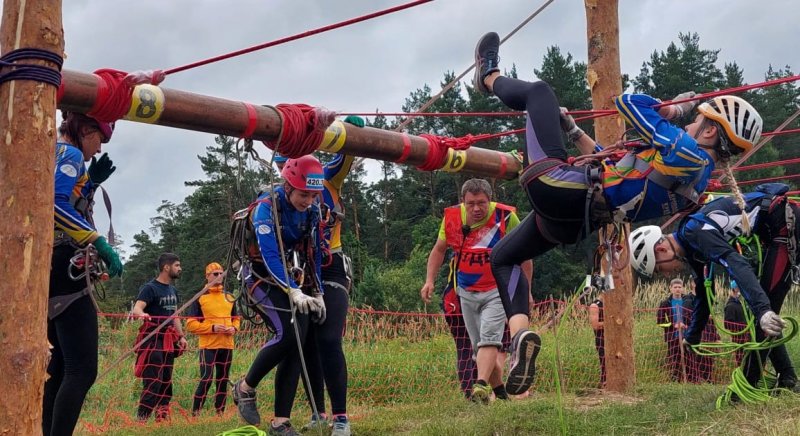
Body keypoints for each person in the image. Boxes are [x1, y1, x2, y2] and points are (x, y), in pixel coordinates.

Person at [473, 31, 763, 394]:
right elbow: (618, 168)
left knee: (539, 93)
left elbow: (627, 102)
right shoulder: (696, 185)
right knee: (503, 257)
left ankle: (487, 76)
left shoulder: (687, 152)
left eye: (695, 121)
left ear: (707, 131)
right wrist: (575, 131)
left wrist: (674, 109)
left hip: (560, 188)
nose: (687, 125)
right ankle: (520, 337)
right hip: (578, 219)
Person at [629, 182, 800, 392]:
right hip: (773, 230)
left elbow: (735, 262)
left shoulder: (696, 233)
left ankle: (748, 387)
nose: (665, 274)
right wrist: (692, 336)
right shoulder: (690, 243)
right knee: (761, 314)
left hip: (783, 224)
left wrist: (763, 310)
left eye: (658, 269)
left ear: (661, 249)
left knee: (763, 315)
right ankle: (787, 379)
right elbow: (702, 293)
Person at [231, 155, 326, 435]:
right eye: (303, 194)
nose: (308, 201)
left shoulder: (312, 211)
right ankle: (245, 387)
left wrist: (317, 290)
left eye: (312, 195)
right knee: (287, 332)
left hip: (290, 276)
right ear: (288, 186)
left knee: (298, 338)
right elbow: (270, 255)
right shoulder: (266, 208)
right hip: (259, 277)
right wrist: (293, 290)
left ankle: (280, 422)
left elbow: (316, 252)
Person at [44, 112, 123, 436]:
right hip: (66, 262)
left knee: (61, 366)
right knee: (82, 369)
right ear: (87, 129)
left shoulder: (57, 151)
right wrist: (98, 241)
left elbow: (66, 201)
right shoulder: (70, 153)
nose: (99, 149)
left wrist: (90, 183)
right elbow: (54, 204)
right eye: (100, 139)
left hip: (51, 263)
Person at [421, 179, 532, 402]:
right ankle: (501, 392)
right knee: (478, 347)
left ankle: (480, 386)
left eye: (481, 203)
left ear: (490, 200)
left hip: (498, 289)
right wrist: (429, 280)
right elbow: (439, 250)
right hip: (465, 290)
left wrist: (525, 290)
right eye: (470, 203)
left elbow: (525, 255)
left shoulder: (506, 217)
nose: (476, 208)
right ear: (463, 202)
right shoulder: (452, 218)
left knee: (489, 339)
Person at [300, 115, 363, 436]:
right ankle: (317, 412)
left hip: (332, 266)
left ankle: (341, 417)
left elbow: (349, 152)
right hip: (302, 271)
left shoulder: (328, 179)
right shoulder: (285, 190)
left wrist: (352, 127)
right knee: (307, 343)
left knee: (328, 339)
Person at [131, 253, 188, 421]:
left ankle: (161, 419)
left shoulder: (173, 290)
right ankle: (141, 421)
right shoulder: (150, 288)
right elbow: (137, 309)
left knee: (166, 382)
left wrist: (181, 337)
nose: (180, 268)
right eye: (177, 265)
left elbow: (175, 316)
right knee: (153, 383)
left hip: (169, 342)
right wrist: (142, 315)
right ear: (166, 267)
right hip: (152, 340)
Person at [186, 262, 239, 416]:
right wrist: (212, 328)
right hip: (207, 346)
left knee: (222, 380)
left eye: (221, 273)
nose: (219, 276)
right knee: (206, 379)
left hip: (227, 345)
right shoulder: (200, 298)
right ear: (207, 276)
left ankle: (219, 413)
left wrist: (234, 328)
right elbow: (190, 324)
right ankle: (195, 413)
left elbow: (236, 318)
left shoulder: (229, 297)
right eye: (215, 274)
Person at [656, 279, 691, 382]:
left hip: (687, 335)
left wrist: (687, 325)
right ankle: (674, 381)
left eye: (679, 287)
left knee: (689, 359)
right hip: (673, 337)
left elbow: (694, 317)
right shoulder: (665, 303)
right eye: (675, 287)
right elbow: (660, 321)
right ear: (670, 288)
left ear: (683, 288)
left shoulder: (688, 301)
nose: (677, 289)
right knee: (674, 360)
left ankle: (689, 381)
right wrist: (673, 325)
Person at [724, 283, 750, 366]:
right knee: (741, 361)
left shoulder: (740, 304)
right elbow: (727, 324)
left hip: (747, 337)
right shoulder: (730, 306)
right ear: (735, 289)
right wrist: (744, 326)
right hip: (739, 339)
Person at [588, 290, 605, 388]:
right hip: (601, 339)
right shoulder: (595, 305)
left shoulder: (612, 305)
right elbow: (595, 325)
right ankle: (604, 384)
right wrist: (612, 322)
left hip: (614, 340)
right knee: (604, 364)